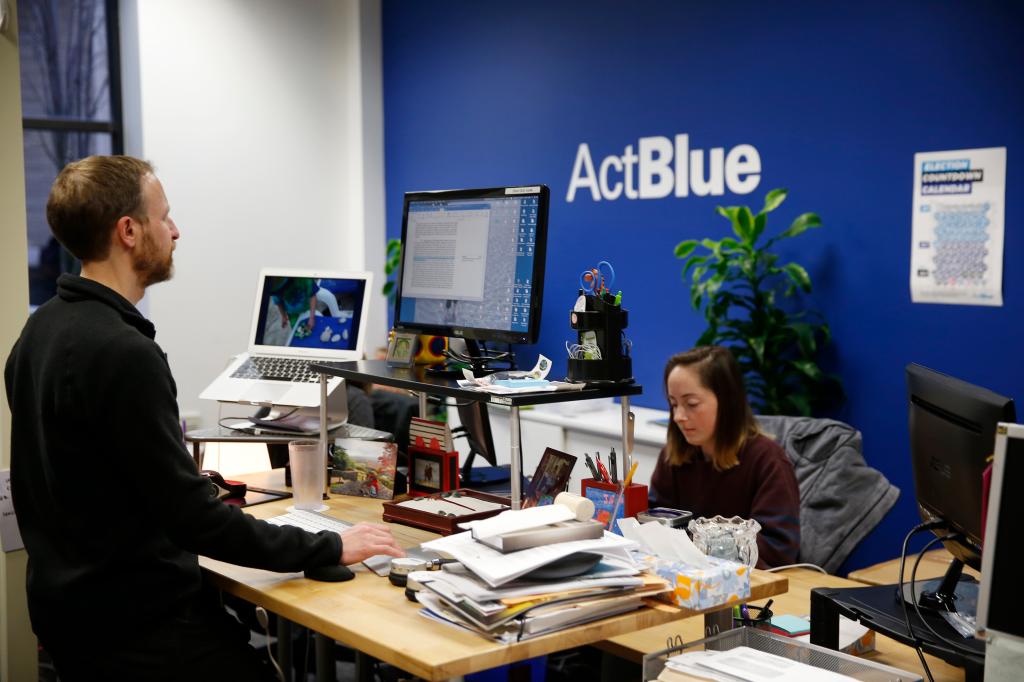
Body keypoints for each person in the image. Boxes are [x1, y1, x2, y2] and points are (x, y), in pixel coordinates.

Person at [4, 155, 404, 680]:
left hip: (74, 617)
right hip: (141, 632)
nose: (176, 230)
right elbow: (192, 519)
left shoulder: (38, 334)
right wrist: (330, 543)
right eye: (164, 217)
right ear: (128, 231)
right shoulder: (122, 352)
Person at [649, 346, 800, 569]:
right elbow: (656, 523)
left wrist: (700, 548)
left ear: (727, 401)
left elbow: (778, 551)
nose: (679, 416)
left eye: (691, 404)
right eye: (674, 404)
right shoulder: (673, 456)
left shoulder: (768, 461)